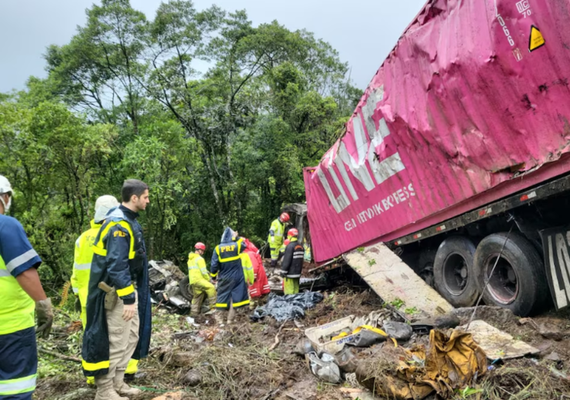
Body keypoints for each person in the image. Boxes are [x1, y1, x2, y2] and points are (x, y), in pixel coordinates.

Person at [82, 179, 152, 400]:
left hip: (129, 290)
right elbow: (116, 265)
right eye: (146, 197)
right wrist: (129, 298)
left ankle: (118, 383)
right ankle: (104, 390)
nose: (148, 201)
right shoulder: (118, 226)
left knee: (130, 337)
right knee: (116, 338)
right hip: (118, 294)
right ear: (134, 198)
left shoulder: (128, 221)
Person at [0, 175, 53, 400]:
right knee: (15, 389)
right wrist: (44, 307)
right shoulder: (6, 225)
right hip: (9, 327)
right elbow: (24, 271)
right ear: (4, 197)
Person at [210, 228, 249, 324]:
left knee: (222, 297)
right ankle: (229, 320)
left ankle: (220, 321)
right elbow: (244, 244)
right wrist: (236, 237)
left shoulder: (218, 249)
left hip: (225, 277)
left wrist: (213, 276)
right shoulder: (236, 245)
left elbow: (214, 265)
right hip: (237, 277)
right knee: (234, 297)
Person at [187, 242, 216, 317]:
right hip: (199, 280)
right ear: (199, 250)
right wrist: (209, 280)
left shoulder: (190, 259)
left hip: (192, 281)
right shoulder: (200, 259)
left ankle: (193, 314)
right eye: (202, 251)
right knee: (211, 288)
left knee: (197, 296)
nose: (203, 252)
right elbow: (203, 272)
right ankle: (214, 308)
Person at [279, 228, 304, 295]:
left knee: (289, 293)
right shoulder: (300, 246)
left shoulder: (290, 246)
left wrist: (283, 271)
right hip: (297, 273)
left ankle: (290, 304)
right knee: (296, 291)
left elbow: (287, 260)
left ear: (290, 236)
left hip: (290, 274)